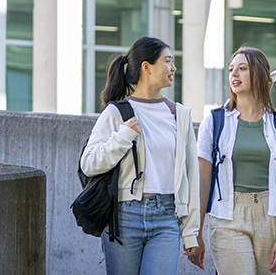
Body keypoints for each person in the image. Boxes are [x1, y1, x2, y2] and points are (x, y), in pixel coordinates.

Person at [79, 37, 200, 275]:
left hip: (167, 216)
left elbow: (191, 176)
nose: (173, 68)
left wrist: (191, 231)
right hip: (125, 216)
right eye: (168, 61)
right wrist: (123, 136)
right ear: (146, 67)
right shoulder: (117, 112)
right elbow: (89, 164)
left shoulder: (180, 114)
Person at [190, 47, 276, 274]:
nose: (234, 74)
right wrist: (196, 232)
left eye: (242, 68)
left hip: (269, 216)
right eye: (231, 69)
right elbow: (202, 182)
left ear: (258, 74)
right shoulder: (215, 121)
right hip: (228, 217)